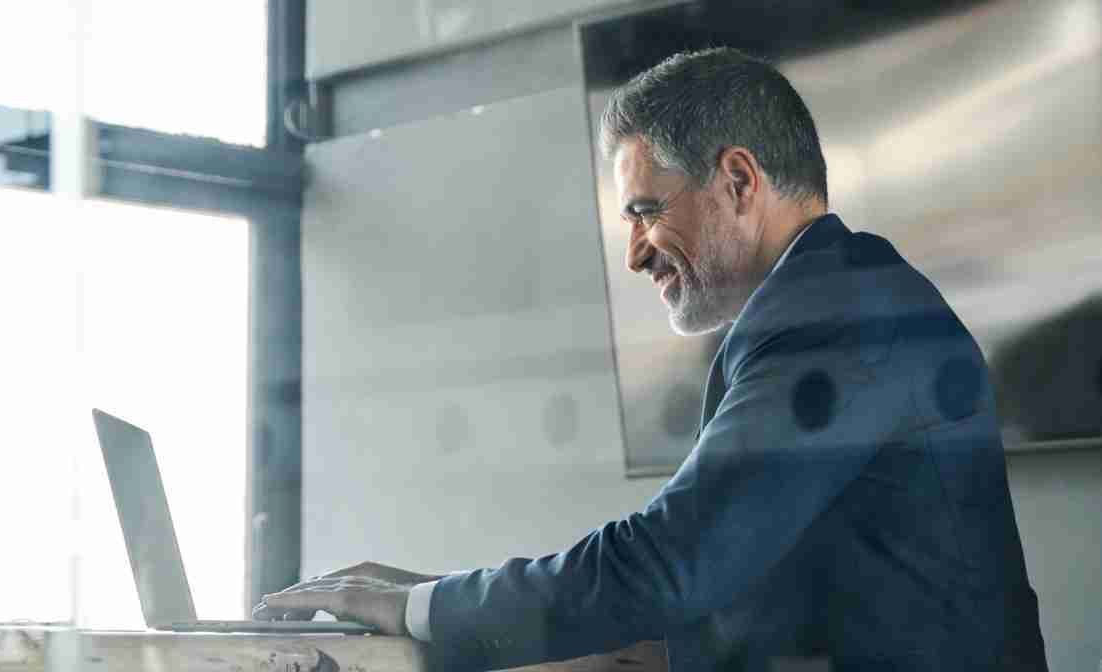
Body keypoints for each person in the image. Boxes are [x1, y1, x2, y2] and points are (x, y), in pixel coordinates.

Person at [254, 48, 1048, 671]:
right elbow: (728, 602)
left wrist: (426, 608)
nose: (635, 254)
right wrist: (444, 607)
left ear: (738, 180)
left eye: (644, 212)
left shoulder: (837, 316)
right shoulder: (829, 303)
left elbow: (670, 562)